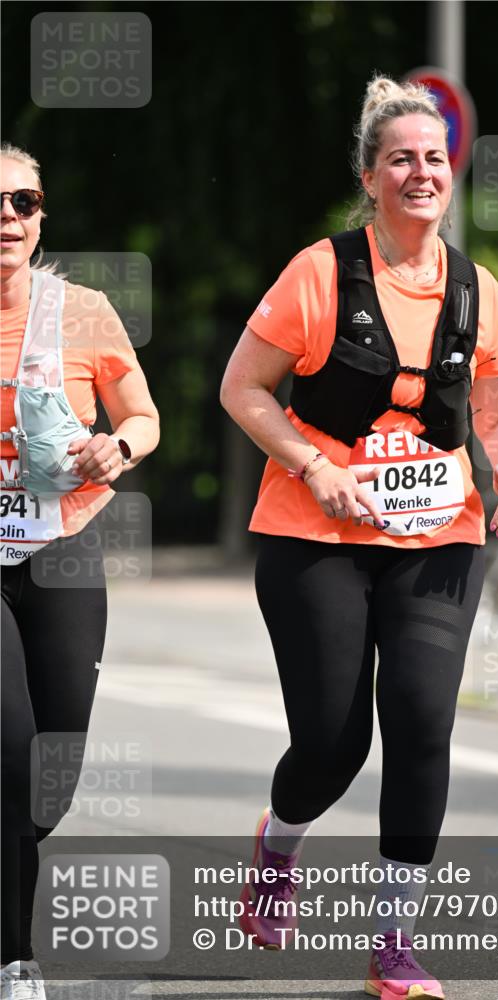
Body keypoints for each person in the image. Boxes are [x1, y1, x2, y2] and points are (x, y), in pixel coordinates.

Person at [220, 75, 498, 999]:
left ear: (452, 171)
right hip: (313, 535)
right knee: (330, 743)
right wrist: (315, 465)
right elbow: (242, 388)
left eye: (434, 158)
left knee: (422, 723)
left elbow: (496, 403)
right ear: (369, 176)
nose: (419, 173)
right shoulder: (319, 274)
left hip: (439, 536)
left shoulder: (477, 289)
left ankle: (393, 944)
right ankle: (278, 849)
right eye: (399, 158)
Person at [0, 144, 159, 999]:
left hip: (62, 547)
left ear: (40, 216)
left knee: (49, 780)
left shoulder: (84, 312)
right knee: (8, 752)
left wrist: (117, 446)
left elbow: (143, 414)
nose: (7, 218)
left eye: (23, 202)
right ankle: (13, 959)